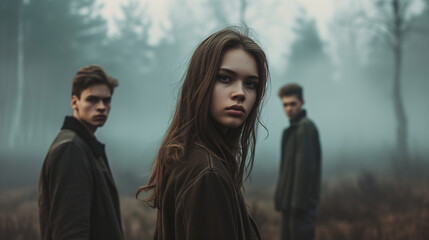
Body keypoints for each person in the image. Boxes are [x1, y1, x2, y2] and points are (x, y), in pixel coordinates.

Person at [137, 27, 269, 240]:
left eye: (250, 84)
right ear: (200, 83)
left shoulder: (188, 157)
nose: (240, 93)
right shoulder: (208, 174)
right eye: (225, 78)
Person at [38, 65, 124, 240]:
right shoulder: (71, 149)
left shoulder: (84, 146)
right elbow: (71, 231)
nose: (101, 107)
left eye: (106, 100)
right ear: (74, 102)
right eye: (92, 99)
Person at [274, 83, 321, 240]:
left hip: (301, 206)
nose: (289, 109)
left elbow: (305, 169)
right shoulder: (293, 130)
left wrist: (298, 206)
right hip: (291, 205)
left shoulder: (305, 128)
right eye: (285, 105)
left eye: (293, 104)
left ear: (302, 102)